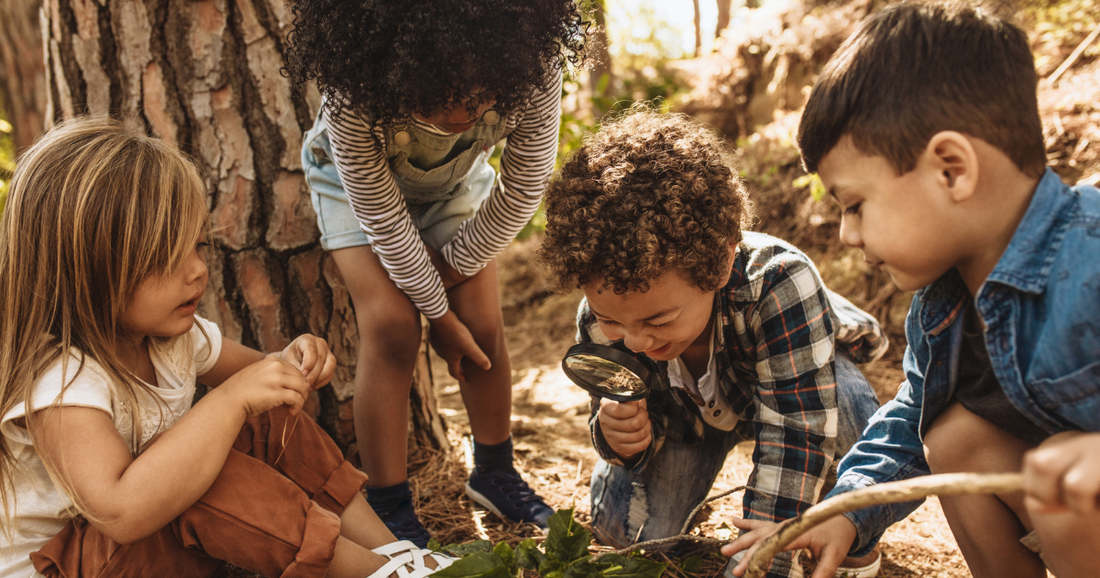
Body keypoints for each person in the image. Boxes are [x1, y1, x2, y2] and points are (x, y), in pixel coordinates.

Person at [723, 4, 1100, 578]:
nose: (847, 235)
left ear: (951, 169)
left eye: (855, 205)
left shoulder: (1089, 253)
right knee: (951, 438)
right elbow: (907, 422)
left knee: (1066, 470)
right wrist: (844, 512)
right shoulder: (942, 308)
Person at [0, 118, 455, 578]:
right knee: (202, 478)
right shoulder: (62, 382)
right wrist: (231, 400)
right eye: (165, 256)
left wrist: (291, 362)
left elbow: (264, 380)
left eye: (198, 245)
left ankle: (396, 554)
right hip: (69, 567)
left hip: (140, 551)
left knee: (266, 415)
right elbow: (121, 513)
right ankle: (374, 574)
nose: (198, 270)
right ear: (83, 271)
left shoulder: (172, 339)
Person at [283, 0, 588, 544]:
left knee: (483, 325)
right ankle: (389, 505)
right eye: (437, 97)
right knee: (393, 327)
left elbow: (524, 187)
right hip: (355, 192)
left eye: (478, 96)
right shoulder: (354, 88)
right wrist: (439, 319)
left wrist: (448, 276)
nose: (460, 114)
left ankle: (495, 473)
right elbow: (382, 219)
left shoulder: (532, 63)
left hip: (454, 186)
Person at [537, 106, 889, 578]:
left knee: (847, 407)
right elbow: (618, 418)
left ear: (720, 264)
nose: (635, 341)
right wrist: (620, 438)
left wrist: (763, 561)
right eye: (611, 320)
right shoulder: (605, 320)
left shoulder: (779, 282)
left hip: (789, 387)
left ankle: (848, 530)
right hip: (688, 421)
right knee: (626, 534)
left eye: (659, 319)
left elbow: (796, 432)